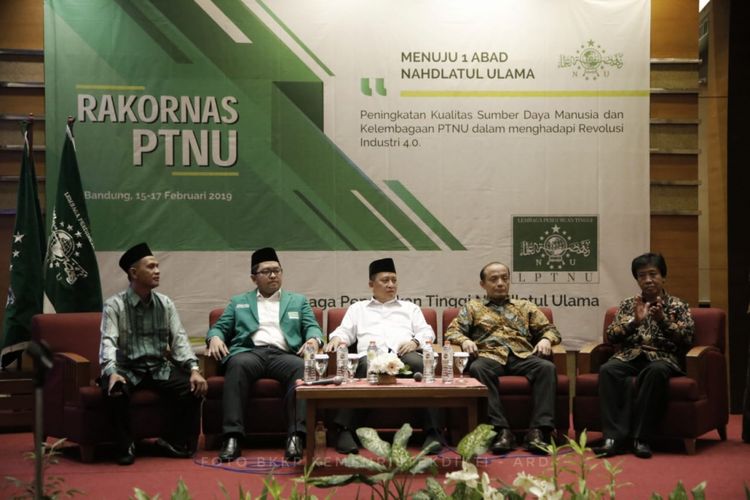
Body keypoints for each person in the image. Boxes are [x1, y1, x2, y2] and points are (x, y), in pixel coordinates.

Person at [206, 247, 324, 462]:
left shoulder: (297, 301)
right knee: (237, 365)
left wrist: (314, 339)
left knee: (300, 368)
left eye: (277, 270)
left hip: (283, 354)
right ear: (254, 277)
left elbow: (313, 327)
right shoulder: (238, 301)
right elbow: (220, 327)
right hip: (250, 352)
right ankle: (232, 436)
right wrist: (214, 337)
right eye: (267, 271)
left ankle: (296, 436)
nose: (273, 275)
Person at [99, 242, 207, 466]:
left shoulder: (165, 303)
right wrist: (110, 372)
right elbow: (108, 341)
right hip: (127, 368)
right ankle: (125, 444)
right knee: (115, 389)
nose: (157, 271)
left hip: (159, 368)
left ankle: (173, 441)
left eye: (158, 266)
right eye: (151, 267)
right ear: (134, 273)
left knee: (192, 387)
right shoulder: (115, 305)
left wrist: (194, 370)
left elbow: (179, 340)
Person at [325, 258, 444, 455]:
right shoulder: (358, 309)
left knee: (423, 366)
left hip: (403, 357)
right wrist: (337, 338)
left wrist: (415, 342)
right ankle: (344, 430)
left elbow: (427, 332)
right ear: (371, 284)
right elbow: (344, 331)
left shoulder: (410, 308)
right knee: (360, 366)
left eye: (394, 280)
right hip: (370, 357)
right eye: (385, 280)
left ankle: (434, 432)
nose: (391, 285)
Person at [444, 261, 560, 455]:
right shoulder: (472, 307)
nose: (500, 283)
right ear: (483, 284)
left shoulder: (525, 306)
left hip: (522, 355)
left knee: (546, 368)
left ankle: (539, 431)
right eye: (494, 279)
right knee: (478, 368)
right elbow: (452, 331)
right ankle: (501, 431)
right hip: (489, 356)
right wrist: (464, 340)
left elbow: (550, 330)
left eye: (504, 278)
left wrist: (547, 339)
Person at [594, 253, 694, 459]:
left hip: (663, 358)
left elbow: (686, 339)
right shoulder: (628, 304)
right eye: (642, 276)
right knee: (608, 370)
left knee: (655, 371)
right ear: (637, 280)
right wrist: (634, 323)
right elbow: (611, 336)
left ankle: (641, 438)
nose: (648, 280)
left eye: (653, 274)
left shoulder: (678, 305)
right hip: (629, 356)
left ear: (663, 276)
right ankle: (612, 438)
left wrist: (663, 321)